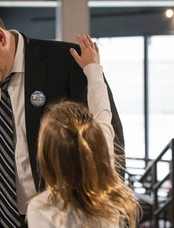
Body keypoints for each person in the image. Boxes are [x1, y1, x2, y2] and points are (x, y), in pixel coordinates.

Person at [0, 4, 124, 227]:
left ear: (0, 37)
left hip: (64, 218)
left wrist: (108, 209)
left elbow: (107, 140)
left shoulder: (68, 62)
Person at [26, 34, 141, 227]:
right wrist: (93, 69)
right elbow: (102, 112)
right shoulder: (109, 194)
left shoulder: (41, 209)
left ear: (47, 155)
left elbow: (103, 114)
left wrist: (93, 69)